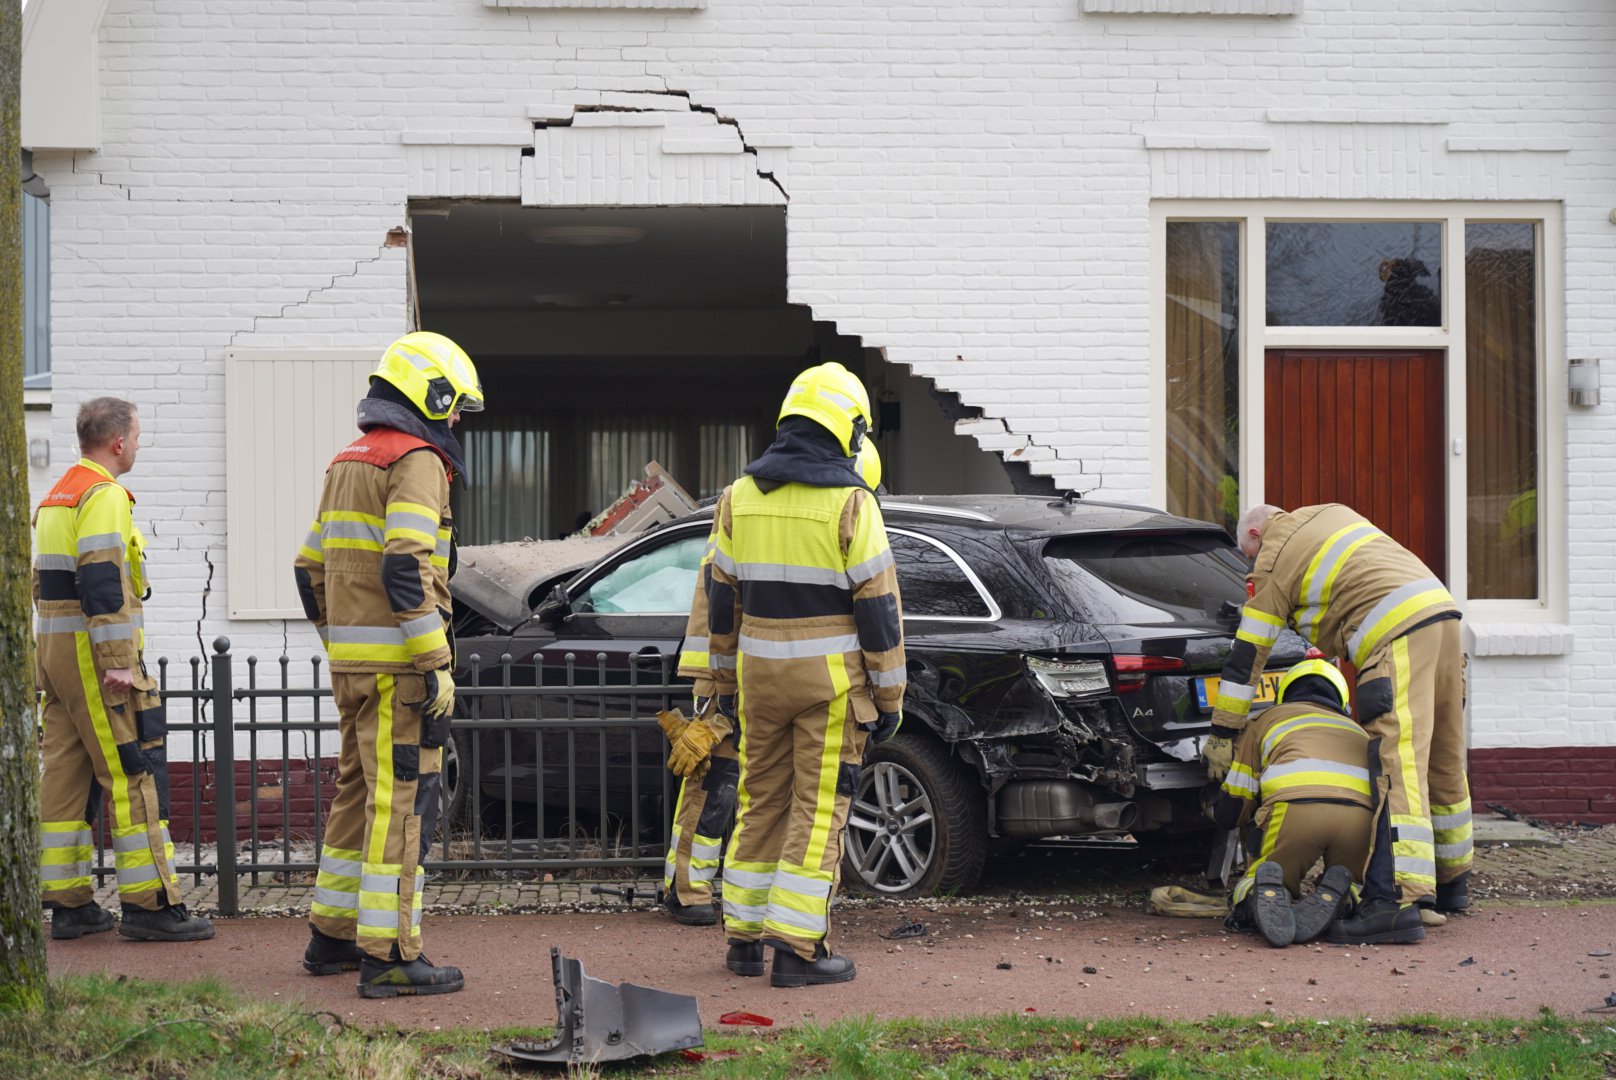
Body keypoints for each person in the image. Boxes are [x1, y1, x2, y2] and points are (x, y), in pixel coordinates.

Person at [293, 331, 482, 997]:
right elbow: (406, 563)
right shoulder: (417, 458)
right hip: (400, 671)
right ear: (432, 395)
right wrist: (434, 661)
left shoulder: (348, 459)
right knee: (403, 807)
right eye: (455, 405)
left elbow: (307, 567)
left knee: (355, 797)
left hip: (352, 667)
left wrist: (338, 643)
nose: (457, 419)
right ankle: (393, 955)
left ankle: (332, 937)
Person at [705, 363, 905, 988]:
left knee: (758, 800)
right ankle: (797, 950)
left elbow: (721, 603)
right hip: (830, 685)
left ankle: (743, 941)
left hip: (759, 677)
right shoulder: (852, 503)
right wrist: (890, 694)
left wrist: (719, 685)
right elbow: (879, 611)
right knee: (819, 810)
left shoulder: (736, 497)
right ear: (847, 430)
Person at [1204, 503, 1470, 945]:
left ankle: (1395, 903)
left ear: (1255, 534)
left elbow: (1249, 653)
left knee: (1396, 764)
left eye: (1246, 555)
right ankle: (1452, 883)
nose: (1249, 565)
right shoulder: (1333, 515)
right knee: (1442, 756)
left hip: (1394, 634)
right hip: (1442, 615)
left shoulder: (1274, 557)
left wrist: (1224, 730)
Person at [659, 442, 885, 927]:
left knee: (751, 795)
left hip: (747, 671)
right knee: (713, 782)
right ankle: (686, 888)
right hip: (730, 670)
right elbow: (719, 597)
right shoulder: (764, 507)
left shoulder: (758, 507)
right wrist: (712, 680)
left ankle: (735, 912)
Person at [35, 397, 214, 943]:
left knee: (64, 773)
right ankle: (151, 905)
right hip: (95, 657)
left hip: (54, 652)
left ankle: (67, 904)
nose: (138, 445)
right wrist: (118, 663)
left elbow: (46, 586)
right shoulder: (104, 495)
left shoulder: (56, 496)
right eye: (136, 436)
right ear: (117, 442)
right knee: (130, 768)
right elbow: (104, 582)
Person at [1213, 659, 1372, 947]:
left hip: (1296, 811)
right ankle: (1345, 899)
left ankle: (1256, 900)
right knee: (1356, 882)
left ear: (1284, 694)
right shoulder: (1358, 731)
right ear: (1343, 701)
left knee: (1264, 878)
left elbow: (1236, 803)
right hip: (1359, 819)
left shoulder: (1267, 720)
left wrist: (1219, 807)